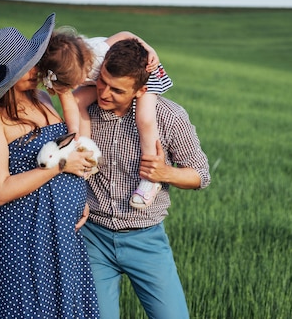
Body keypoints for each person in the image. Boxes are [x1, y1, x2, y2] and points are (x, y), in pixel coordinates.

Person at [0, 13, 100, 318]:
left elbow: (70, 142)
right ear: (9, 76)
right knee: (34, 307)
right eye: (27, 66)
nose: (36, 68)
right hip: (25, 232)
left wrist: (79, 196)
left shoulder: (41, 98)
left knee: (71, 307)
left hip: (63, 228)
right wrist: (59, 168)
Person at [81, 38, 211, 319]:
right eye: (102, 82)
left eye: (117, 89)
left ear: (142, 90)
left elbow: (201, 175)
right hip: (93, 237)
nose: (104, 93)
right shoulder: (86, 109)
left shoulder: (170, 117)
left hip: (145, 239)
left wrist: (166, 173)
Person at [37, 27, 173, 209]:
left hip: (144, 70)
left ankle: (150, 178)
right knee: (78, 101)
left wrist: (149, 49)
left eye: (78, 80)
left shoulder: (99, 51)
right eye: (73, 84)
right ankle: (87, 153)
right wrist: (74, 135)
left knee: (145, 118)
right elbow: (70, 103)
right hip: (111, 78)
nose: (77, 85)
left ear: (85, 64)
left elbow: (125, 34)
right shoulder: (61, 71)